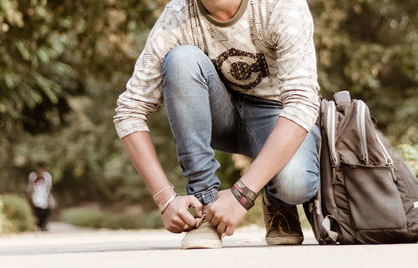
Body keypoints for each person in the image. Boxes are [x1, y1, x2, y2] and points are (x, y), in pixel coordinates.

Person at [114, 0, 320, 249]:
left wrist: (242, 195)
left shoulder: (280, 6)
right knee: (181, 60)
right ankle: (205, 208)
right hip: (220, 115)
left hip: (276, 114)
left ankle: (278, 202)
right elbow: (129, 110)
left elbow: (302, 103)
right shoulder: (177, 17)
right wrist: (165, 199)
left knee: (295, 184)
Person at [27, 162, 54, 231]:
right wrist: (29, 197)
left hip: (44, 196)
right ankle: (39, 225)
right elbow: (30, 188)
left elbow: (49, 188)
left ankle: (44, 226)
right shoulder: (32, 176)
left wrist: (49, 197)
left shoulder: (47, 176)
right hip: (36, 197)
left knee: (45, 212)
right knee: (38, 212)